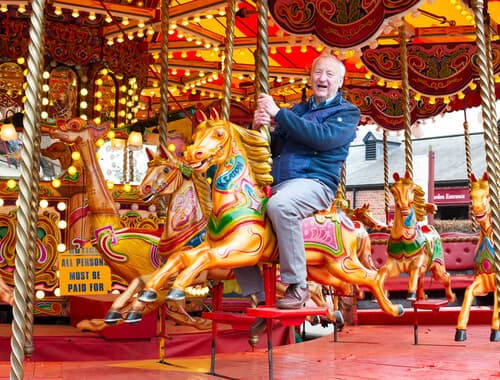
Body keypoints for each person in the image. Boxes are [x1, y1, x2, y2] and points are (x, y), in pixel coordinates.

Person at [234, 53, 361, 313]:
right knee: (238, 214)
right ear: (310, 77)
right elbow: (274, 146)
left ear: (340, 81)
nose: (322, 78)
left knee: (281, 206)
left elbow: (321, 138)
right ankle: (256, 292)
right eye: (318, 73)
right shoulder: (298, 110)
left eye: (329, 74)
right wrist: (261, 128)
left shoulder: (347, 113)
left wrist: (279, 114)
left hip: (315, 183)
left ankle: (297, 285)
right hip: (281, 182)